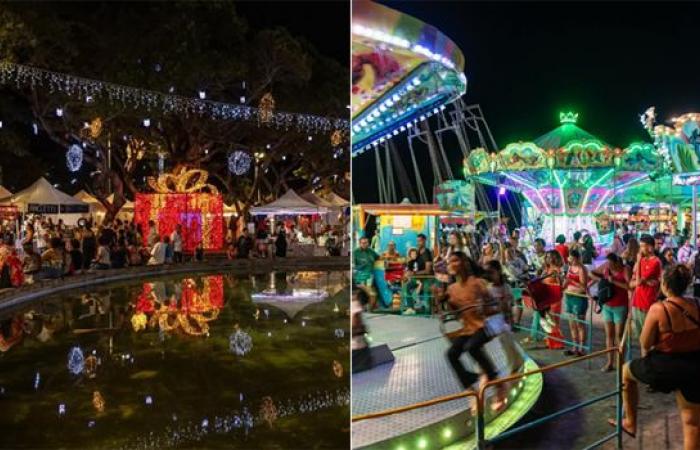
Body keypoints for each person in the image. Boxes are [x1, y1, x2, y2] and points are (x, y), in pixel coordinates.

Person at [610, 264, 700, 449]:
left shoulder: (659, 309)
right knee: (691, 423)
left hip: (665, 366)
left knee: (626, 371)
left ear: (664, 284)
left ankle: (630, 422)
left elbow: (645, 343)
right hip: (694, 365)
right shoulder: (697, 303)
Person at [441, 251, 506, 410]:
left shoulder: (478, 283)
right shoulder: (452, 289)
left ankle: (498, 384)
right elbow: (454, 314)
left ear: (463, 262)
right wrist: (442, 304)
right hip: (467, 329)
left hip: (484, 325)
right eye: (450, 261)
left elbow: (496, 307)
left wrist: (485, 308)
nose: (451, 264)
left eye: (455, 260)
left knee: (472, 347)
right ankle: (472, 389)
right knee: (451, 354)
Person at [591, 253, 630, 371]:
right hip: (607, 305)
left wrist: (613, 282)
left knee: (619, 335)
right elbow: (591, 273)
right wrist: (602, 280)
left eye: (611, 264)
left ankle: (621, 362)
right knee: (609, 335)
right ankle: (610, 362)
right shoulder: (606, 267)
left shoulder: (625, 269)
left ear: (617, 262)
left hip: (620, 306)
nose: (609, 266)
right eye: (608, 263)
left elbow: (630, 286)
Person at [630, 235, 662, 339]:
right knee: (640, 337)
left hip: (647, 302)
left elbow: (638, 282)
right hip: (636, 302)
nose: (640, 249)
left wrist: (638, 262)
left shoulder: (655, 262)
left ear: (650, 247)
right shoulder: (642, 261)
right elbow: (632, 282)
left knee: (648, 337)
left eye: (642, 246)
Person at [563, 249, 589, 356]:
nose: (571, 261)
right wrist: (563, 286)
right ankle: (574, 347)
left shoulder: (582, 269)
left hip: (579, 298)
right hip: (569, 296)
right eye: (570, 258)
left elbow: (583, 287)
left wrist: (572, 282)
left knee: (580, 324)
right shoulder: (570, 267)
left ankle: (582, 348)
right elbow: (566, 281)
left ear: (577, 258)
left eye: (573, 259)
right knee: (572, 323)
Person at [485, 259, 515, 327]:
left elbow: (511, 305)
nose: (488, 276)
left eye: (491, 272)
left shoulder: (506, 287)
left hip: (507, 323)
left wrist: (511, 320)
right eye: (487, 273)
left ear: (499, 271)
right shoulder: (488, 290)